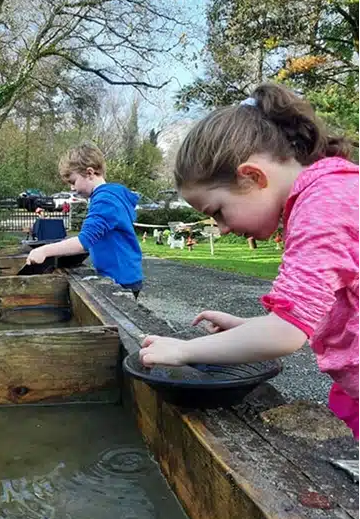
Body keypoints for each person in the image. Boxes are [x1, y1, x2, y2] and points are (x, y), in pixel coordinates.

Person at [139, 83, 360, 437]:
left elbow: (287, 334)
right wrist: (251, 326)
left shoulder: (324, 205)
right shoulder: (327, 193)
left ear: (253, 177)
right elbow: (313, 312)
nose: (222, 229)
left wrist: (186, 350)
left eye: (219, 212)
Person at [27, 142, 143, 298]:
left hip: (121, 278)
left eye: (73, 182)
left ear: (89, 173)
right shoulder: (111, 196)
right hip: (124, 273)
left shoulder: (105, 200)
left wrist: (44, 250)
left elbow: (84, 241)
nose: (72, 189)